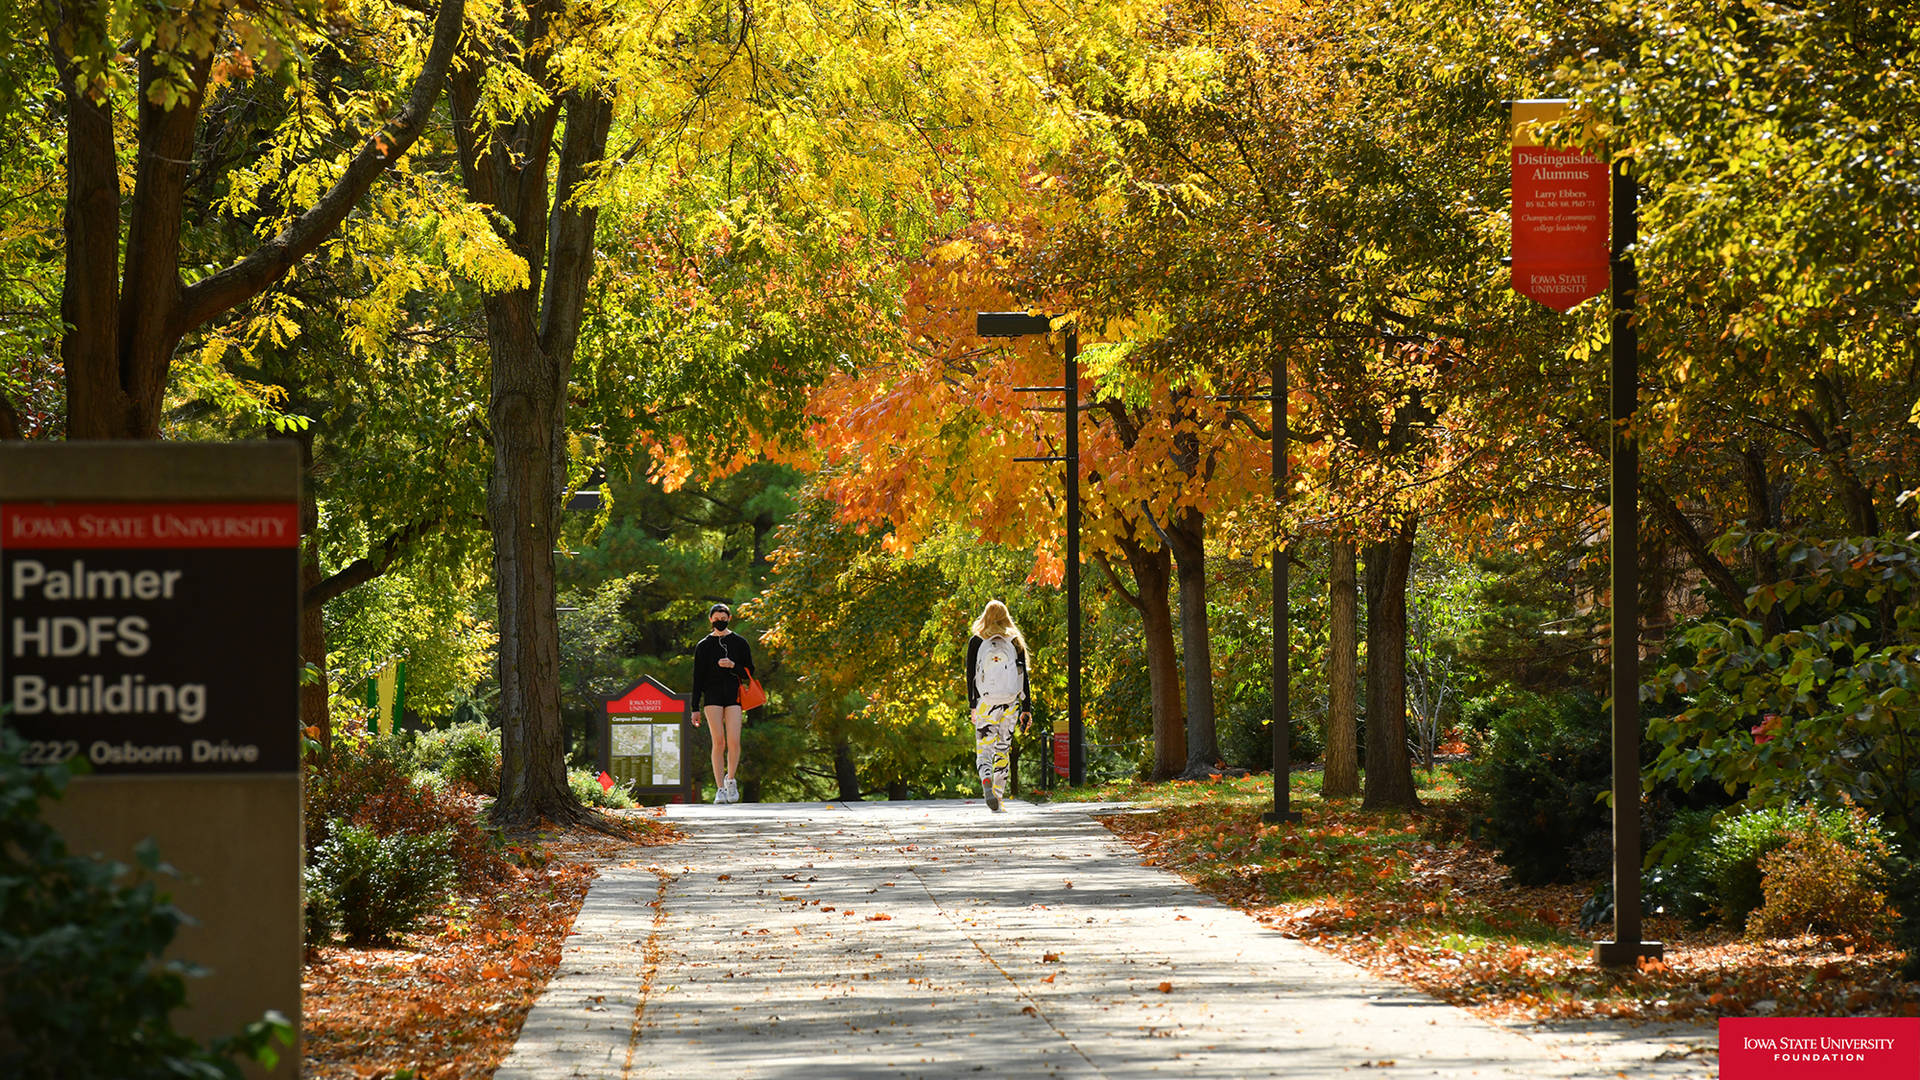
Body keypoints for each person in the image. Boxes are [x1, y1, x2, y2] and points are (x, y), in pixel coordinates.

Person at [965, 599, 1031, 812]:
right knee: (1003, 747)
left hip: (986, 702)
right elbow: (1023, 676)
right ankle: (998, 796)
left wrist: (973, 705)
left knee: (985, 748)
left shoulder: (976, 641)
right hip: (1010, 702)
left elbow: (970, 676)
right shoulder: (1014, 641)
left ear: (985, 616)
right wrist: (1026, 707)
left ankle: (985, 779)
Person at [691, 603, 755, 804]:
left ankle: (731, 780)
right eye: (716, 618)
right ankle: (720, 788)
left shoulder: (740, 642)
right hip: (712, 697)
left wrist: (733, 665)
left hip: (733, 696)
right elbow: (697, 679)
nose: (720, 621)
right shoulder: (703, 646)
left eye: (723, 618)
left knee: (734, 740)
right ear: (710, 620)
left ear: (729, 618)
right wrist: (695, 708)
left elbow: (750, 671)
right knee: (719, 742)